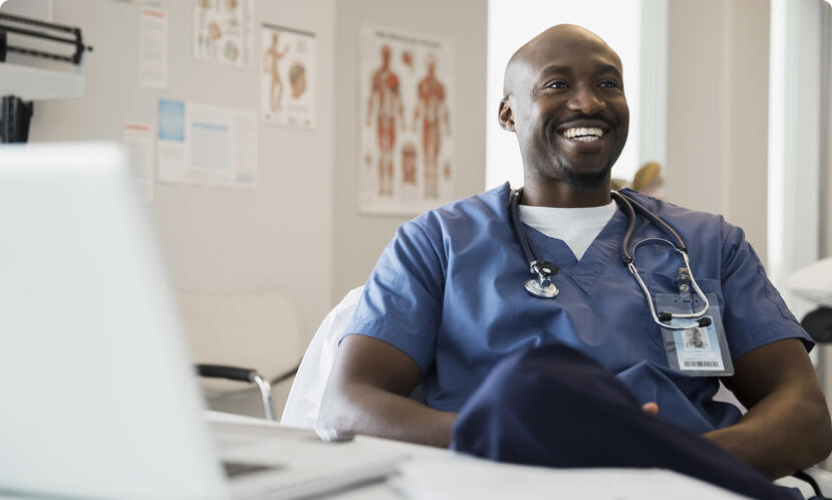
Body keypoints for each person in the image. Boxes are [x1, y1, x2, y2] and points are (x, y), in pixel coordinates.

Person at [319, 24, 831, 497]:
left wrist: (676, 458)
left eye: (608, 84)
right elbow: (350, 405)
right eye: (557, 85)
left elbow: (805, 414)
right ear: (508, 113)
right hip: (500, 484)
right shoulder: (438, 242)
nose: (588, 102)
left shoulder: (706, 242)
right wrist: (508, 439)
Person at [366, 45, 405, 197]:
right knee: (382, 153)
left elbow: (398, 99)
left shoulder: (394, 77)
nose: (386, 57)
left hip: (392, 118)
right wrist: (369, 117)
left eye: (388, 55)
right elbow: (372, 97)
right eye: (384, 54)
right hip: (381, 117)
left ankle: (390, 187)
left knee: (390, 153)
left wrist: (402, 120)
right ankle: (382, 187)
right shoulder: (377, 75)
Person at [413, 53, 451, 199]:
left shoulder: (440, 87)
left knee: (434, 158)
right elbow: (418, 105)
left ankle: (433, 189)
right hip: (426, 125)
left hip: (436, 126)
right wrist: (413, 123)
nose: (430, 68)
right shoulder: (421, 85)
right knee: (426, 157)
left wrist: (447, 127)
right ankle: (426, 189)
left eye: (432, 65)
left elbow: (444, 107)